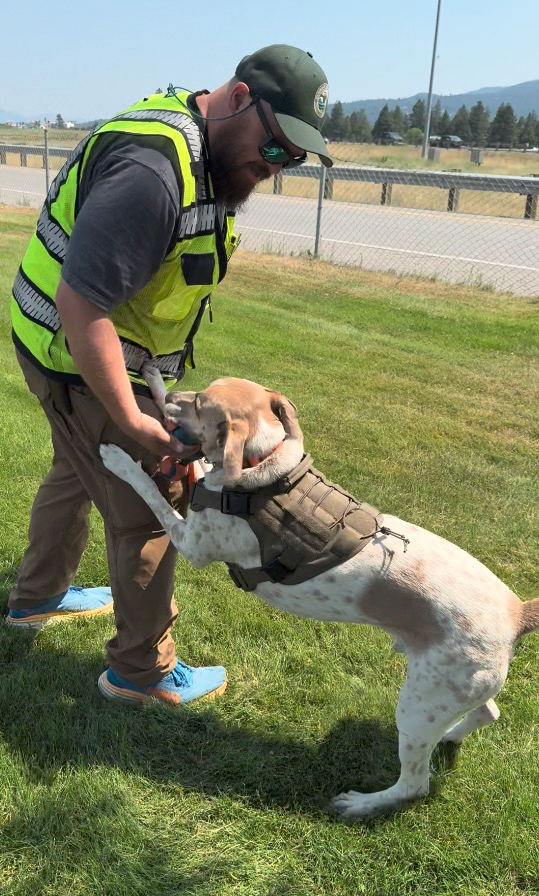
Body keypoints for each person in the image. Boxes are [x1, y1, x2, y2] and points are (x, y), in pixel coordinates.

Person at [6, 44, 332, 706]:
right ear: (239, 99)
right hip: (76, 355)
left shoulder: (201, 146)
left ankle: (37, 595)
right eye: (274, 149)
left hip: (58, 346)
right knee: (150, 512)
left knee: (75, 472)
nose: (277, 168)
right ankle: (141, 671)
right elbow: (82, 304)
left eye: (294, 160)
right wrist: (130, 419)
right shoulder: (155, 175)